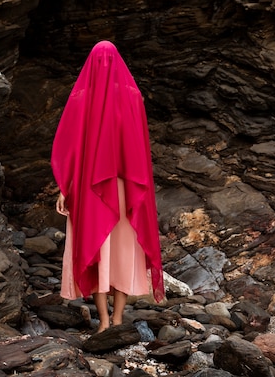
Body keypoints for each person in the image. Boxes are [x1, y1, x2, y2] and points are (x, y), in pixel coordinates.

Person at [51, 40, 165, 333]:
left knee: (98, 248)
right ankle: (116, 319)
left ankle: (103, 321)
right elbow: (139, 149)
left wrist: (65, 187)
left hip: (91, 188)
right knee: (123, 252)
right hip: (125, 187)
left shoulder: (81, 97)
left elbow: (68, 148)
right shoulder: (131, 95)